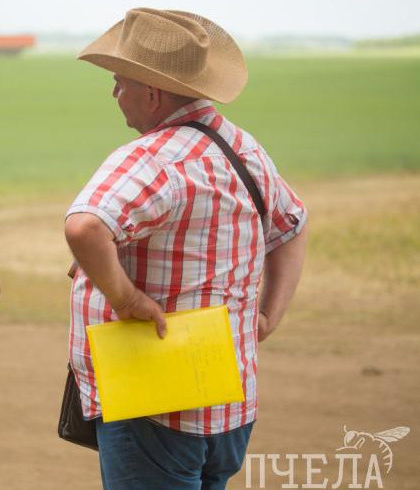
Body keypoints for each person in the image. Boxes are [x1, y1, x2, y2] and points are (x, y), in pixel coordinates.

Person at [64, 8, 307, 490]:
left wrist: (127, 300)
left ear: (151, 93)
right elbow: (293, 226)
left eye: (120, 82)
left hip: (154, 399)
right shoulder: (246, 148)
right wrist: (269, 314)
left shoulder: (153, 156)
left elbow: (85, 228)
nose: (115, 93)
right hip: (230, 398)